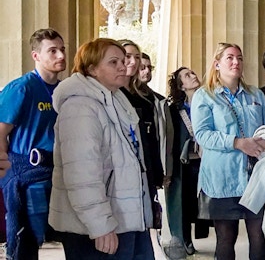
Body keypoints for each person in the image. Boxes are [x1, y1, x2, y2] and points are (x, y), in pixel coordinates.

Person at [49, 38, 154, 258]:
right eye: (113, 62)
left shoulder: (115, 100)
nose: (123, 66)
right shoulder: (80, 107)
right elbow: (81, 175)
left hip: (124, 218)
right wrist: (100, 225)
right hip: (96, 227)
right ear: (92, 69)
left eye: (122, 61)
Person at [192, 42, 265, 260]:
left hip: (254, 176)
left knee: (257, 233)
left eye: (239, 57)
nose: (236, 62)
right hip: (222, 178)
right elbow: (202, 134)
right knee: (226, 237)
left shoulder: (255, 95)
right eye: (229, 57)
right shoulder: (204, 95)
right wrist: (237, 142)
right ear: (217, 63)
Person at [0, 28, 66, 259]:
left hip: (60, 173)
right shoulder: (21, 88)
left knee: (68, 236)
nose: (61, 56)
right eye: (53, 51)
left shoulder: (64, 90)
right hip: (29, 174)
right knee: (27, 240)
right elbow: (0, 132)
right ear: (36, 56)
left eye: (62, 49)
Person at [118, 41, 168, 232]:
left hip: (145, 168)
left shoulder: (146, 100)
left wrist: (158, 172)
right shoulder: (110, 95)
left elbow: (152, 140)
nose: (132, 61)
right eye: (127, 56)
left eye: (137, 57)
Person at [165, 67, 210, 257]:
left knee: (199, 202)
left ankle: (199, 233)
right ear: (181, 85)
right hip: (182, 163)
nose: (194, 75)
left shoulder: (208, 102)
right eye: (187, 75)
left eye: (193, 72)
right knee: (181, 202)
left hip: (204, 161)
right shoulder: (174, 109)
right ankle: (184, 239)